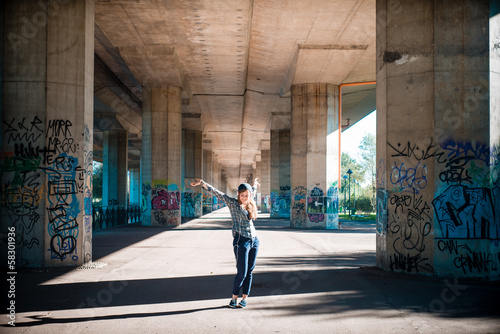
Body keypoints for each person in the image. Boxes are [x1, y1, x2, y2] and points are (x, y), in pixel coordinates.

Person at [190, 177, 260, 308]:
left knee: (249, 272)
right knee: (241, 273)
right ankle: (234, 298)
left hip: (254, 241)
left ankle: (244, 298)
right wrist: (202, 183)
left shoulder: (250, 201)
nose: (245, 197)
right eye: (243, 195)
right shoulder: (233, 203)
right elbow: (218, 193)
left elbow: (253, 192)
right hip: (241, 241)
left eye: (247, 195)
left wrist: (255, 185)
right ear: (238, 194)